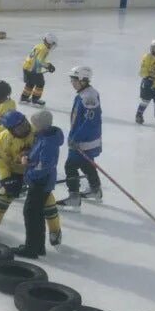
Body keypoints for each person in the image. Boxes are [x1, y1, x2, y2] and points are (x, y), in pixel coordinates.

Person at [17, 109, 64, 257]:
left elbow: (43, 166)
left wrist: (28, 169)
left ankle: (31, 249)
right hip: (39, 181)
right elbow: (35, 155)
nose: (33, 125)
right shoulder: (43, 136)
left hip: (40, 182)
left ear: (41, 125)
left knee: (31, 214)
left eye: (35, 123)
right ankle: (38, 247)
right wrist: (27, 156)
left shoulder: (48, 142)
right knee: (36, 214)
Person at [59, 66, 102, 209]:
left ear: (83, 80)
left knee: (70, 166)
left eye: (74, 80)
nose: (72, 82)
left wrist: (76, 138)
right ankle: (95, 190)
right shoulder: (85, 93)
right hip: (86, 139)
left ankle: (74, 197)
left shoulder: (88, 96)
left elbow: (89, 122)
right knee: (87, 164)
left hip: (84, 141)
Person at [0, 110, 34, 237]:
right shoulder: (1, 139)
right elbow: (2, 163)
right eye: (19, 128)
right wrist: (7, 180)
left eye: (24, 123)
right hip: (14, 171)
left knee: (45, 201)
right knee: (4, 197)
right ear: (11, 130)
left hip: (34, 171)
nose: (25, 128)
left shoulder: (37, 133)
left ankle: (55, 230)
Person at [20, 33, 57, 105]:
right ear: (49, 42)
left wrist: (47, 65)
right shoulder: (44, 49)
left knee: (30, 83)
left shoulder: (39, 45)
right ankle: (35, 100)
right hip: (33, 69)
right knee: (40, 83)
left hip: (27, 66)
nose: (52, 46)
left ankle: (24, 98)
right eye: (52, 44)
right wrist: (48, 66)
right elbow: (39, 61)